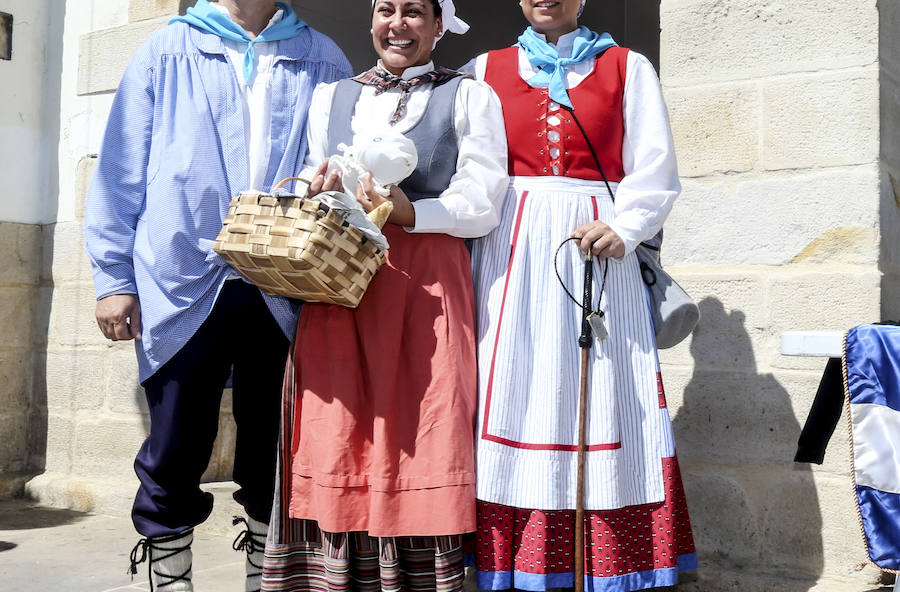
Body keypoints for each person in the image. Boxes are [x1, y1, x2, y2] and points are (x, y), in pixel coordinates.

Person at [83, 1, 351, 590]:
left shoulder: (321, 56)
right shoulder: (167, 49)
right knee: (177, 439)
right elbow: (122, 167)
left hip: (282, 284)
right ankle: (169, 573)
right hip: (180, 274)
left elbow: (342, 160)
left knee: (273, 442)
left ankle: (265, 571)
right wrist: (115, 278)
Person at [260, 1, 508, 591]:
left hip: (426, 279)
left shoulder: (470, 96)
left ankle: (420, 578)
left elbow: (484, 202)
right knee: (341, 419)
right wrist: (324, 187)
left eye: (415, 12)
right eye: (386, 10)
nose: (398, 24)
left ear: (439, 25)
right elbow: (322, 178)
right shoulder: (334, 96)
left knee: (424, 420)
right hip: (344, 279)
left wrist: (412, 211)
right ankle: (337, 577)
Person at [461, 1, 697, 590]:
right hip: (510, 250)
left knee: (606, 391)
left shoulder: (627, 67)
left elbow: (655, 165)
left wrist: (626, 227)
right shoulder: (481, 71)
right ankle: (514, 563)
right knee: (513, 386)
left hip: (597, 243)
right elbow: (469, 173)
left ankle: (608, 566)